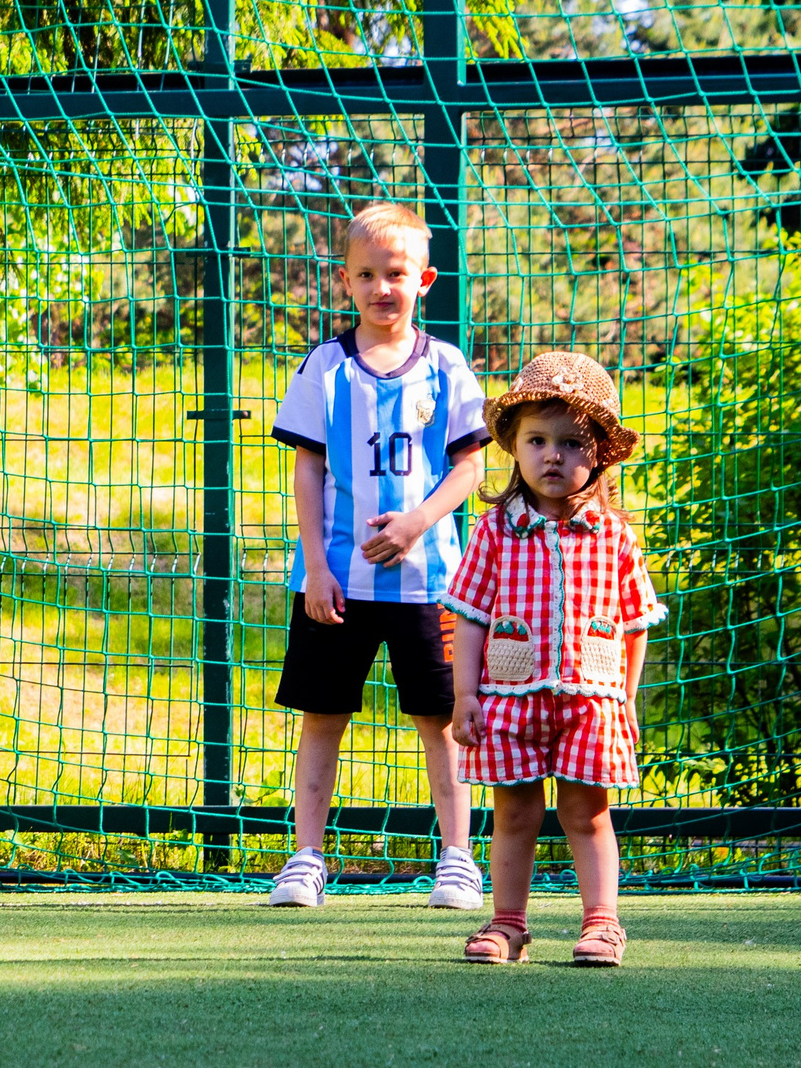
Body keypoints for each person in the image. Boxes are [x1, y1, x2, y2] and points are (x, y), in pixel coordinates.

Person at [263, 203, 490, 910]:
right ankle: (305, 858)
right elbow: (306, 470)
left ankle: (457, 858)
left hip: (431, 585)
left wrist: (418, 521)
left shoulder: (447, 366)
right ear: (346, 281)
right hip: (337, 583)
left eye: (395, 274)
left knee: (443, 719)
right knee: (322, 717)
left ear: (423, 279)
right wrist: (316, 568)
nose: (381, 288)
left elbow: (471, 470)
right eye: (366, 274)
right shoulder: (325, 366)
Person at [442, 351, 663, 967]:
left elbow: (633, 624)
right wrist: (465, 698)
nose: (553, 456)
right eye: (537, 440)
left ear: (601, 454)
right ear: (513, 445)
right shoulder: (493, 533)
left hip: (592, 703)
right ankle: (507, 923)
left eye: (571, 442)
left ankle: (602, 923)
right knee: (514, 811)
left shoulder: (614, 535)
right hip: (510, 701)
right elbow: (470, 618)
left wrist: (625, 698)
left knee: (586, 812)